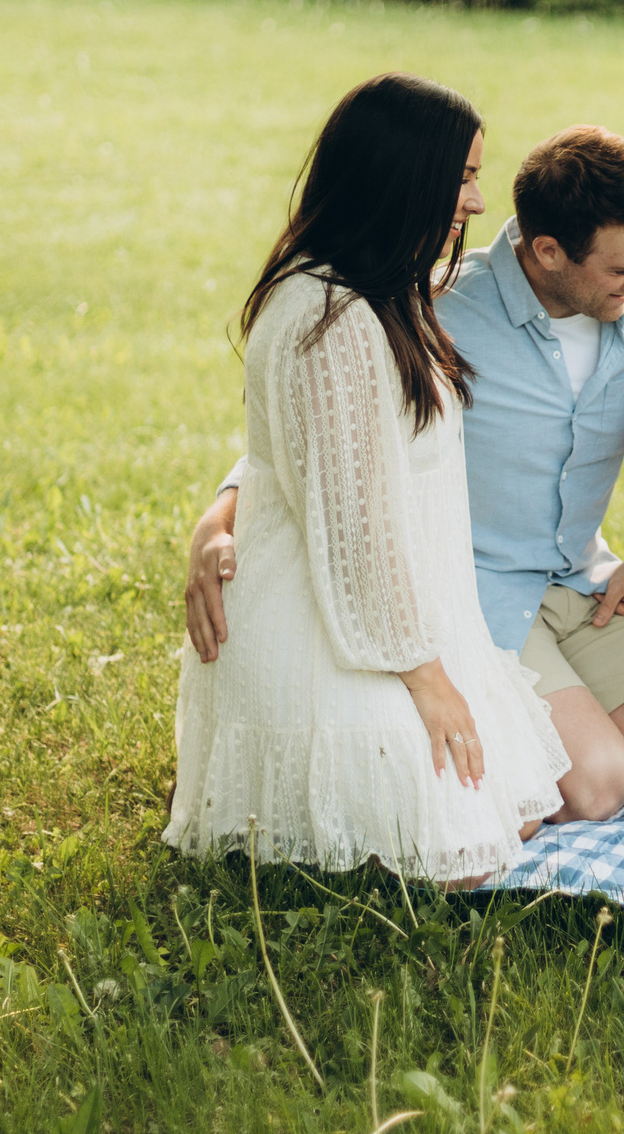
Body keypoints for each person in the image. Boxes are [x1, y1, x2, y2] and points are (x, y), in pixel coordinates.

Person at [186, 126, 624, 825]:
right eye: (622, 269)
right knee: (598, 784)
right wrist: (217, 518)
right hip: (477, 592)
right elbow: (316, 435)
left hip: (584, 580)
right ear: (549, 251)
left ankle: (565, 713)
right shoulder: (435, 307)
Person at [164, 74, 569, 883]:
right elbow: (354, 533)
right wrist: (425, 678)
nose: (479, 203)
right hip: (331, 617)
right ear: (402, 178)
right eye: (462, 177)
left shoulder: (385, 292)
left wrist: (219, 510)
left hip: (399, 605)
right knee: (458, 862)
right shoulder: (330, 318)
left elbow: (296, 460)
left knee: (518, 810)